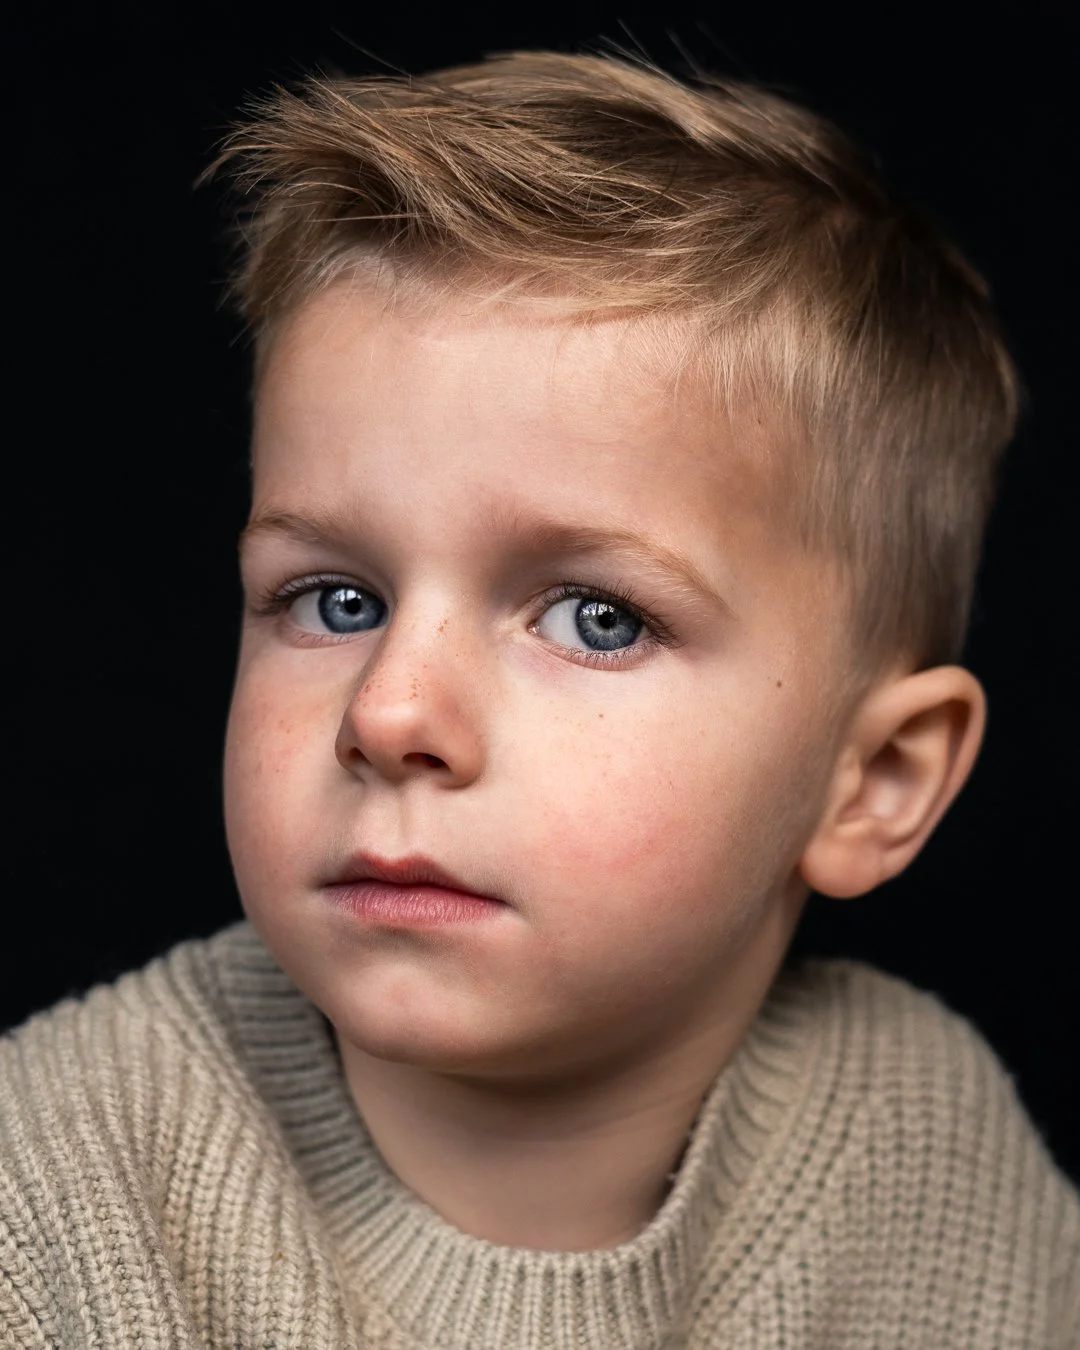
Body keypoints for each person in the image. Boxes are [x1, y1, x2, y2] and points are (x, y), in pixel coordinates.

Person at [2, 48, 1076, 1349]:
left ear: (874, 781)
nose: (391, 714)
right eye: (337, 599)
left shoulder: (925, 1146)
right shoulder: (53, 1188)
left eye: (595, 617)